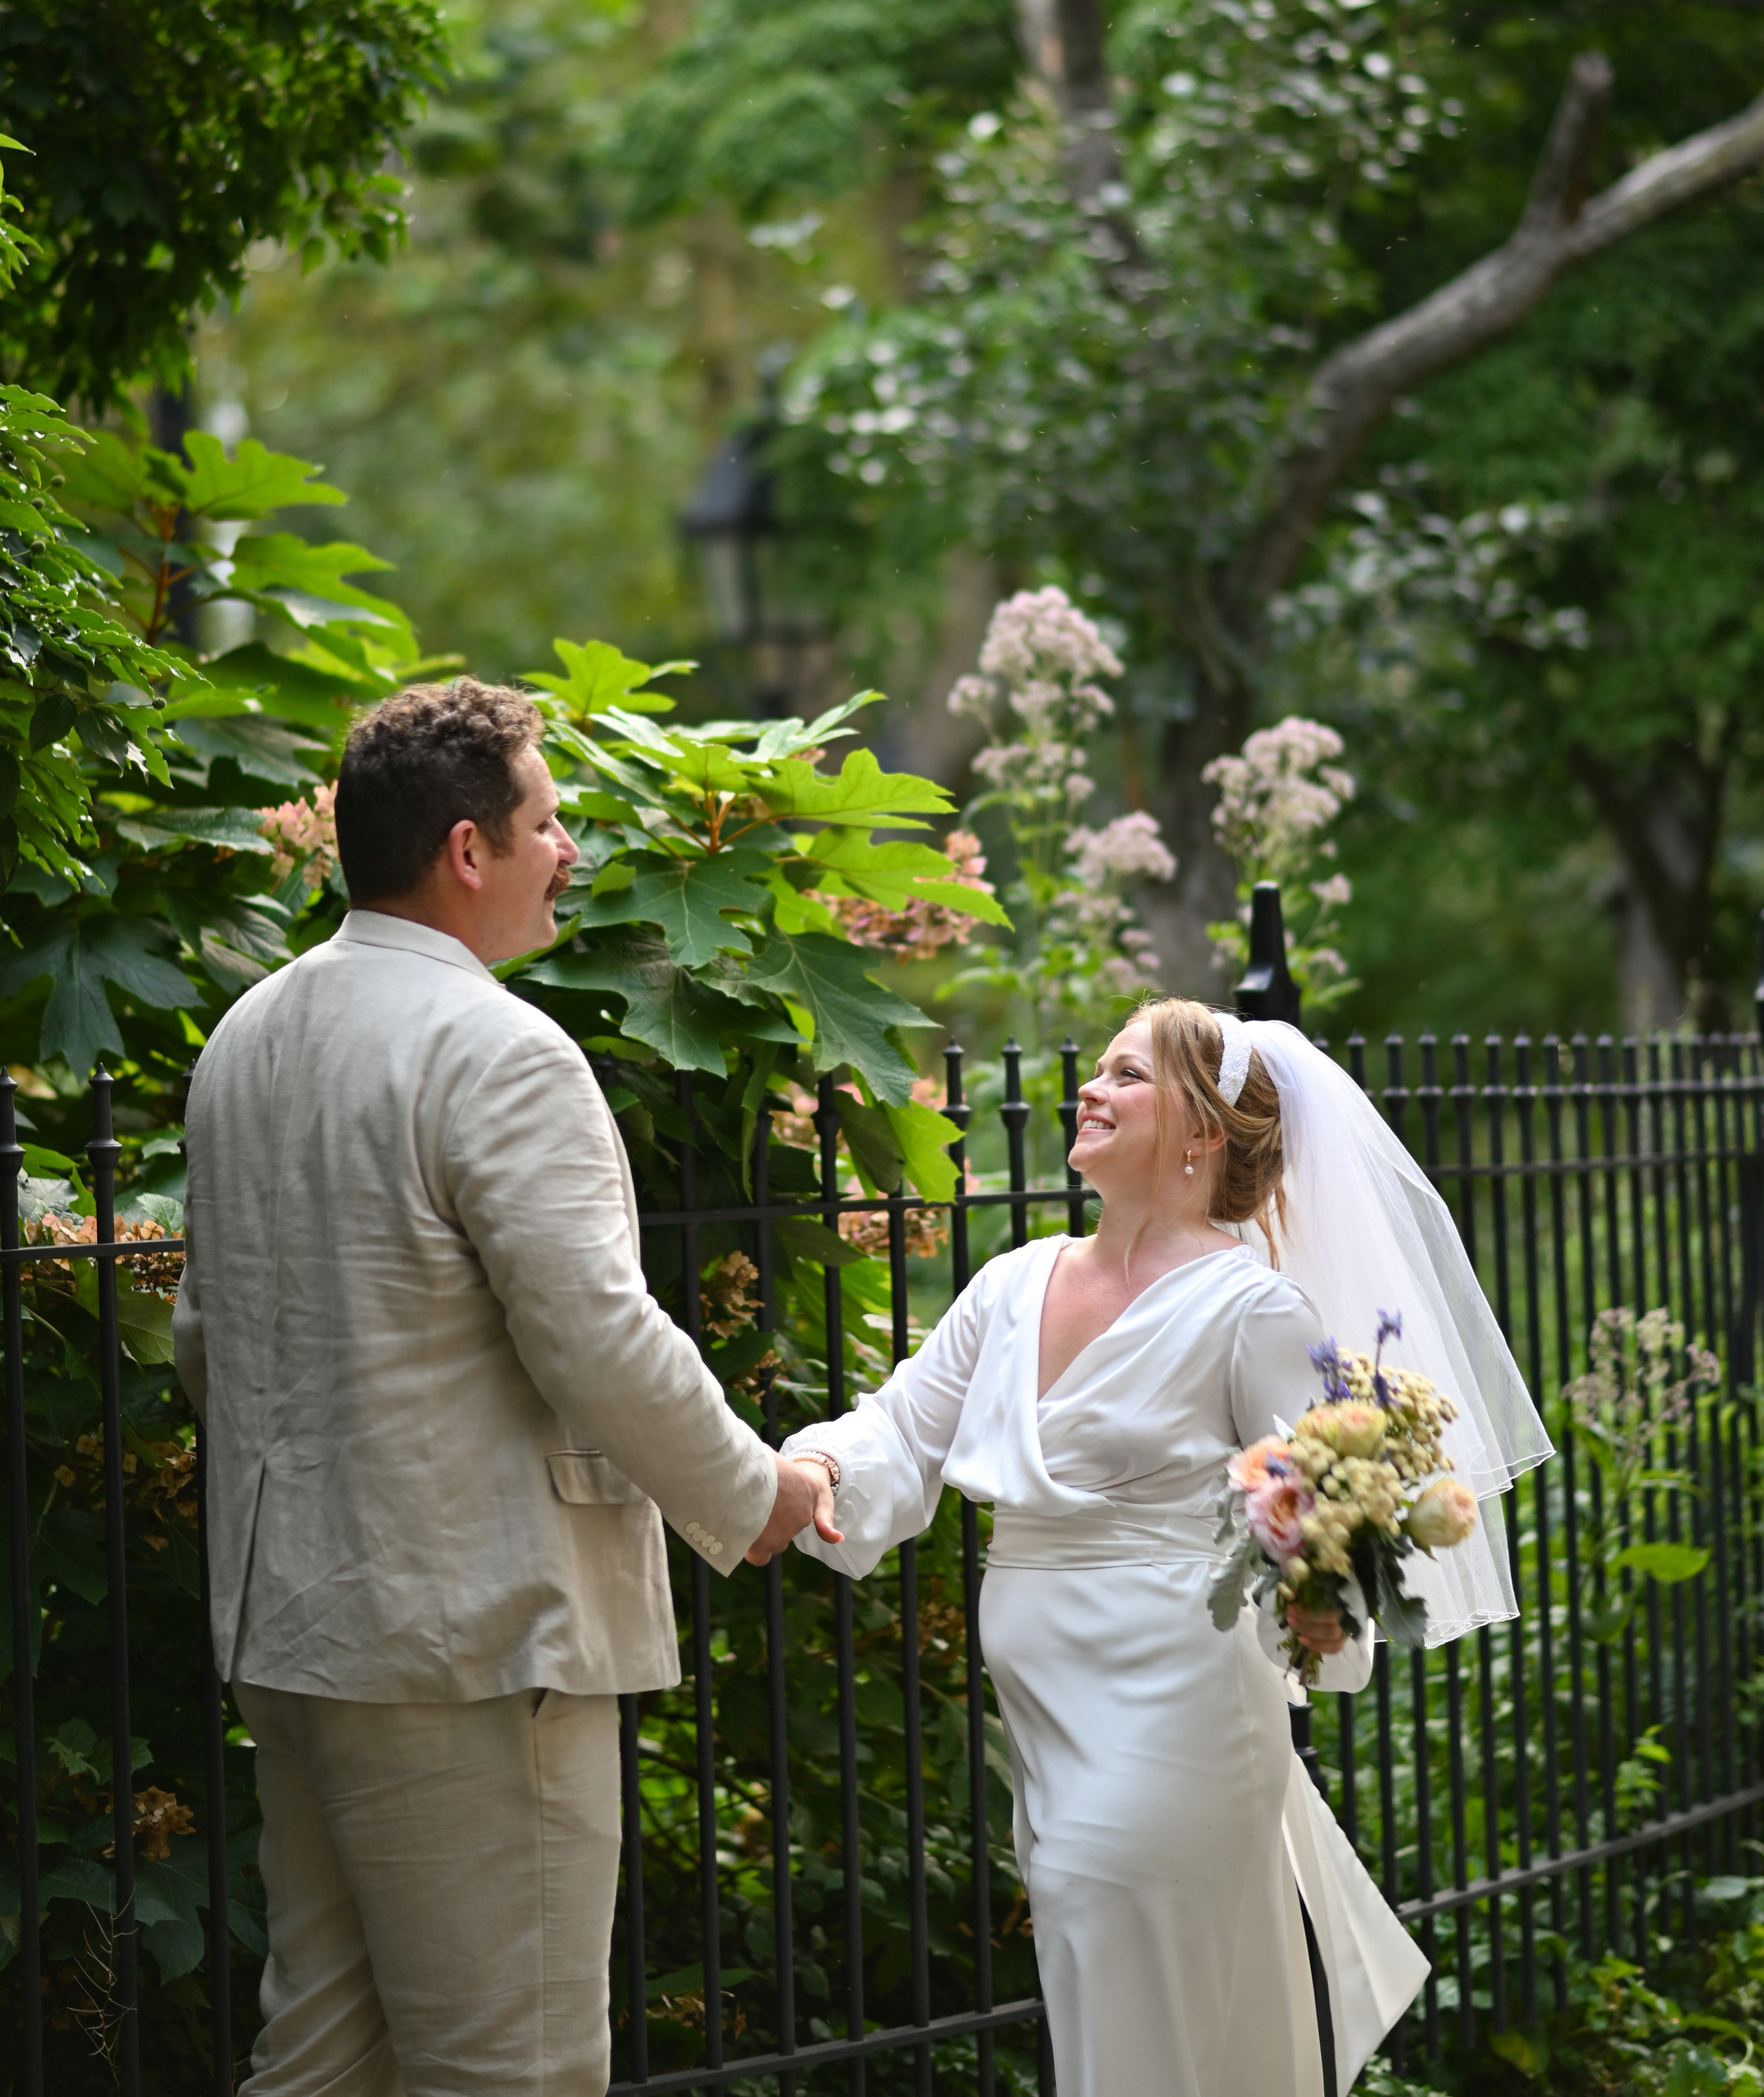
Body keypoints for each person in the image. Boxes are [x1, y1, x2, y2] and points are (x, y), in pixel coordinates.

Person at [174, 679, 830, 2097]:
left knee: (322, 2055)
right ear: (468, 851)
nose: (568, 849)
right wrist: (754, 1489)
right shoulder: (498, 1050)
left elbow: (201, 1343)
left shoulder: (243, 1043)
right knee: (512, 2068)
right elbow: (592, 1333)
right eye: (546, 821)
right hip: (474, 1646)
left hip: (291, 1627)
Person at [765, 996, 1549, 2097]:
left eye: (1127, 1074)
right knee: (1133, 2007)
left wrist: (1325, 1608)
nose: (1091, 1088)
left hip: (1182, 1717)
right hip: (1048, 1713)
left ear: (1202, 1133)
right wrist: (816, 1474)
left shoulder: (1252, 1311)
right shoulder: (1011, 1284)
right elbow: (901, 1427)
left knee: (1117, 1984)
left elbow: (1327, 1523)